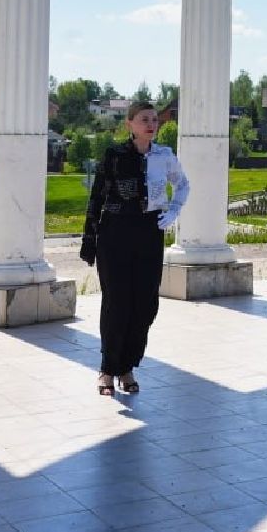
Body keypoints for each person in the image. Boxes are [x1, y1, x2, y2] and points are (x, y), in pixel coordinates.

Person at [80, 101, 189, 396]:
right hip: (115, 232)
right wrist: (89, 240)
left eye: (154, 119)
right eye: (144, 119)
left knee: (145, 305)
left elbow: (183, 185)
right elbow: (96, 197)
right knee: (117, 303)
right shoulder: (114, 156)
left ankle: (128, 365)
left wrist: (174, 212)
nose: (151, 124)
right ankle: (108, 369)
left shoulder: (165, 156)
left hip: (149, 232)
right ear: (130, 124)